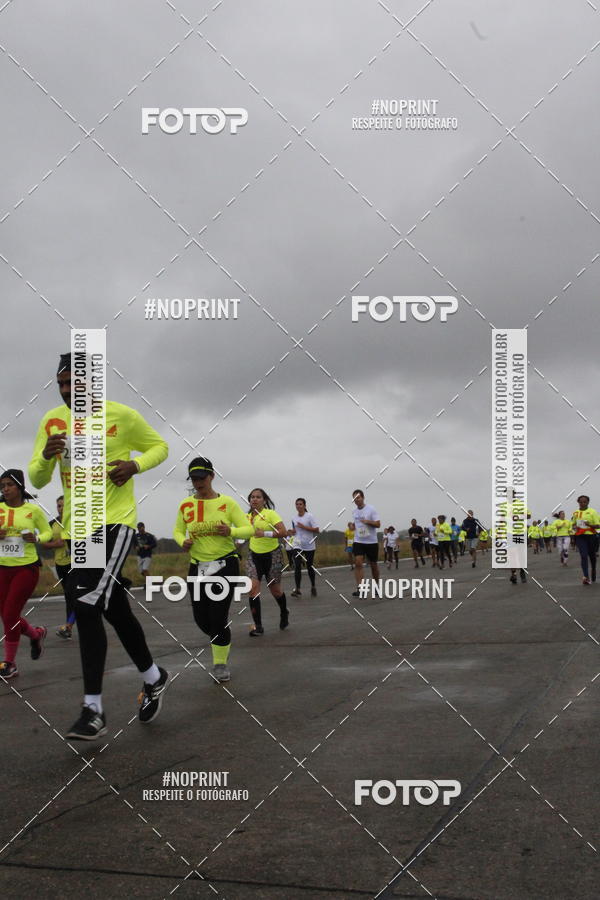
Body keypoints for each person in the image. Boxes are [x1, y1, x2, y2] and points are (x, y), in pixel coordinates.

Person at [29, 352, 169, 739]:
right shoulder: (52, 422)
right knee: (114, 609)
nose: (66, 392)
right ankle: (154, 677)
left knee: (87, 602)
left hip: (115, 524)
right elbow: (37, 480)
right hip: (79, 529)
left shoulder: (121, 416)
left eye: (73, 385)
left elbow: (160, 447)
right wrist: (45, 456)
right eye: (60, 385)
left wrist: (134, 466)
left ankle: (93, 709)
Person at [174, 457, 254, 680]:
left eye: (202, 478)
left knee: (218, 616)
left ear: (212, 477)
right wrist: (183, 542)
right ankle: (221, 637)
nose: (198, 482)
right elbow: (178, 531)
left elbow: (248, 529)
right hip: (197, 566)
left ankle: (220, 663)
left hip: (224, 564)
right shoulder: (186, 505)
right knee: (202, 618)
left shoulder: (227, 503)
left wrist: (231, 532)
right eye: (194, 478)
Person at [0, 470, 51, 679]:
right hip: (2, 568)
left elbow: (47, 532)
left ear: (20, 487)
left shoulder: (33, 510)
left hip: (26, 568)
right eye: (2, 486)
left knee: (10, 614)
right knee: (6, 615)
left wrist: (36, 537)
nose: (5, 489)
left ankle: (9, 663)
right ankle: (36, 634)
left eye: (9, 485)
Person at [245, 488, 288, 635]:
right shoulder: (247, 517)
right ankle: (258, 627)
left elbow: (283, 532)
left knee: (275, 590)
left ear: (264, 500)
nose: (254, 499)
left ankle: (284, 612)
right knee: (253, 589)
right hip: (253, 555)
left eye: (258, 497)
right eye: (252, 497)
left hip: (272, 555)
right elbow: (242, 535)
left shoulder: (270, 514)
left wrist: (264, 533)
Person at [43, 495, 76, 639]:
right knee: (69, 596)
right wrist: (55, 544)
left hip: (77, 563)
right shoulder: (52, 524)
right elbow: (44, 543)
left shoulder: (78, 521)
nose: (61, 508)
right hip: (60, 563)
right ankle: (69, 627)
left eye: (63, 505)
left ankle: (68, 626)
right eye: (58, 506)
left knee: (75, 594)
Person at [351, 490, 380, 596]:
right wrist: (352, 527)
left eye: (358, 497)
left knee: (373, 565)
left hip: (371, 541)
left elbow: (378, 524)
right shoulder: (354, 512)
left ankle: (377, 586)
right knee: (358, 562)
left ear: (363, 498)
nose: (356, 500)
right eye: (354, 498)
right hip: (359, 541)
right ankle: (360, 588)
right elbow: (356, 525)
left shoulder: (371, 509)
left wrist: (368, 521)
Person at [289, 498, 320, 598]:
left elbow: (317, 530)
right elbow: (294, 530)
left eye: (300, 504)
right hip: (297, 544)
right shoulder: (293, 518)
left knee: (309, 566)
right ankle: (297, 589)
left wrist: (304, 527)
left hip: (309, 545)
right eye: (297, 504)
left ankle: (313, 586)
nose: (298, 506)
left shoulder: (310, 516)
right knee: (297, 565)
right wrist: (291, 531)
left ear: (305, 506)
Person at [571, 495, 600, 585]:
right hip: (580, 537)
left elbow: (598, 525)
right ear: (578, 502)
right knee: (583, 556)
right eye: (581, 502)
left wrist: (589, 524)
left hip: (591, 536)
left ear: (588, 502)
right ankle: (586, 577)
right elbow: (573, 525)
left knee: (592, 557)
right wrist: (575, 527)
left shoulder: (592, 512)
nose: (582, 503)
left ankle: (594, 569)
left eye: (584, 502)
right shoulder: (575, 513)